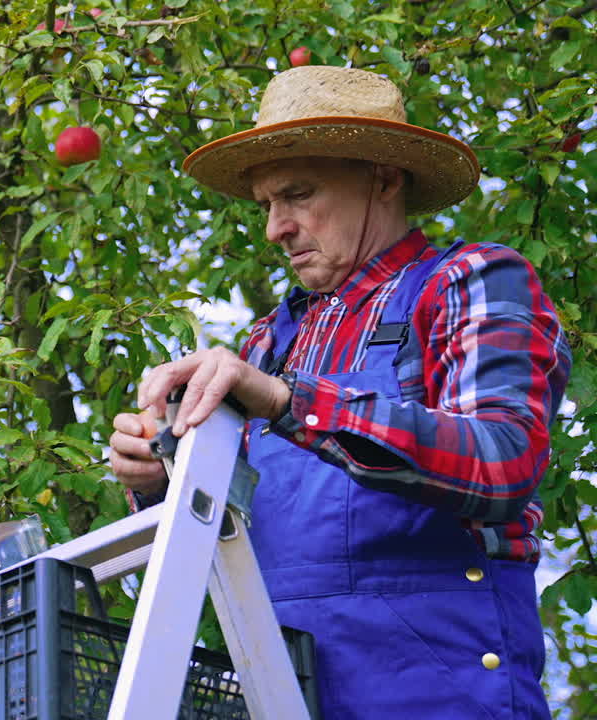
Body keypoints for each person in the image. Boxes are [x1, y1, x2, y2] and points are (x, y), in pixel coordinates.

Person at [108, 65, 571, 719]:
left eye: (297, 195)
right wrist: (156, 477)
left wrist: (288, 402)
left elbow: (503, 462)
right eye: (267, 204)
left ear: (384, 177)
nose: (275, 228)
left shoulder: (466, 282)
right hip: (284, 697)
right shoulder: (267, 343)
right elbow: (207, 546)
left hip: (444, 700)